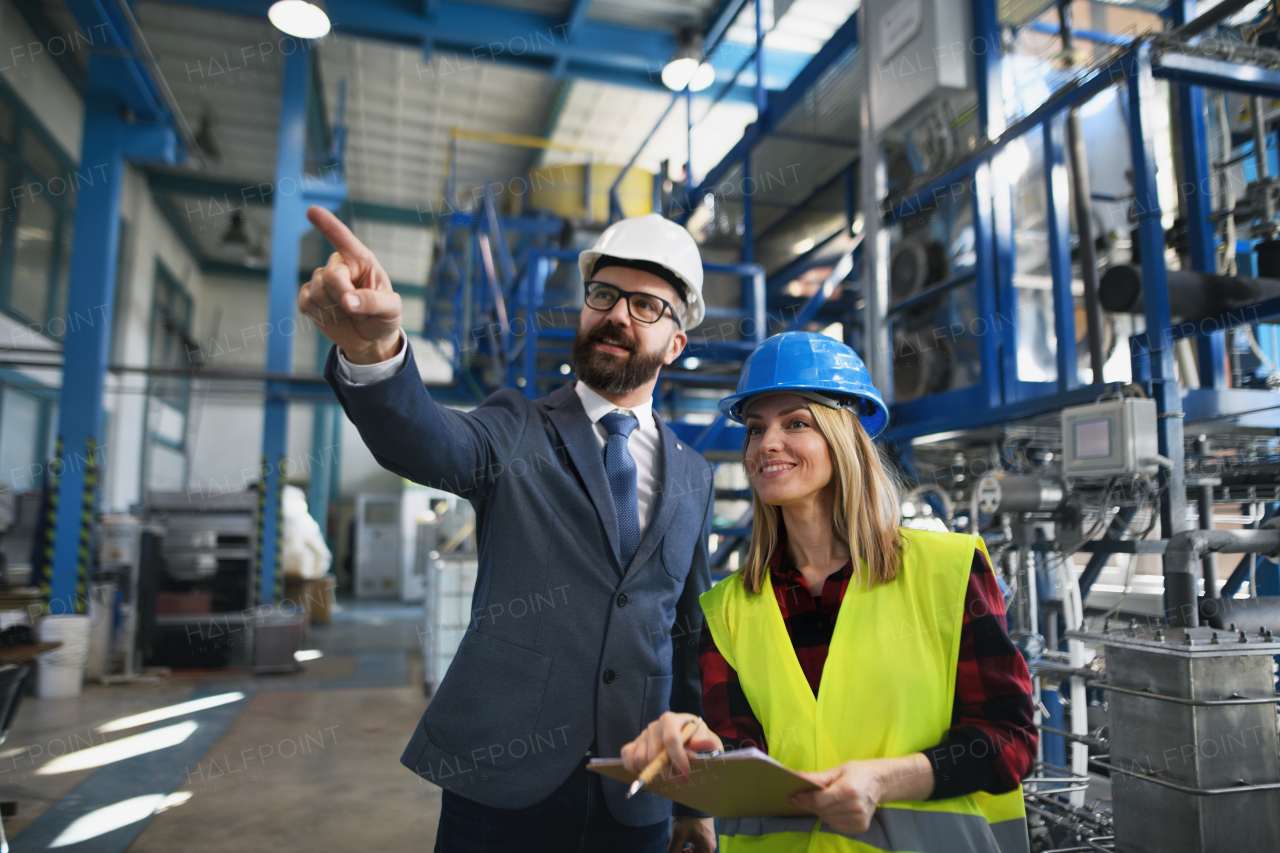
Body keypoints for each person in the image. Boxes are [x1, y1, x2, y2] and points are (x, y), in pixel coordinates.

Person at [301, 207, 718, 853]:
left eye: (645, 305)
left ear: (676, 342)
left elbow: (687, 637)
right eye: (603, 295)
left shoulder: (694, 475)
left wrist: (693, 797)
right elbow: (426, 441)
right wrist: (374, 351)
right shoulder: (516, 426)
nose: (616, 314)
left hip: (639, 788)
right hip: (502, 783)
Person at [621, 332, 1036, 853]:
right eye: (755, 429)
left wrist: (887, 779)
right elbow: (744, 752)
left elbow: (1009, 739)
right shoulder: (726, 609)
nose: (766, 443)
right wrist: (695, 749)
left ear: (845, 437)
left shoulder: (949, 571)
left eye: (796, 422)